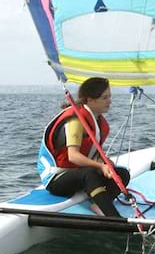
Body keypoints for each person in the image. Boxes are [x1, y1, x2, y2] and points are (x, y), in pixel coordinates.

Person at [37, 77, 130, 217]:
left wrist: (105, 164)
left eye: (109, 97)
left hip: (78, 175)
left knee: (121, 173)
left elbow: (93, 153)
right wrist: (100, 167)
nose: (109, 101)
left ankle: (98, 206)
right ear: (90, 100)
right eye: (105, 97)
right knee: (89, 173)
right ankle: (114, 217)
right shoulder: (76, 120)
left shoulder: (97, 121)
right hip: (56, 179)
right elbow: (73, 156)